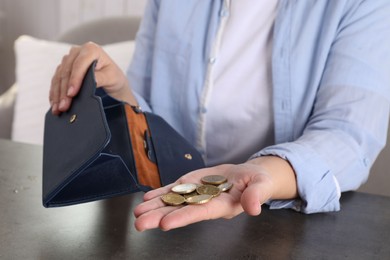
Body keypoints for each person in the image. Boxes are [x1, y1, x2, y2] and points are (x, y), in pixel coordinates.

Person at [49, 0, 390, 231]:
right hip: (165, 207)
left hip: (284, 223)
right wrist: (120, 90)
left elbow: (348, 134)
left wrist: (262, 173)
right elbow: (149, 116)